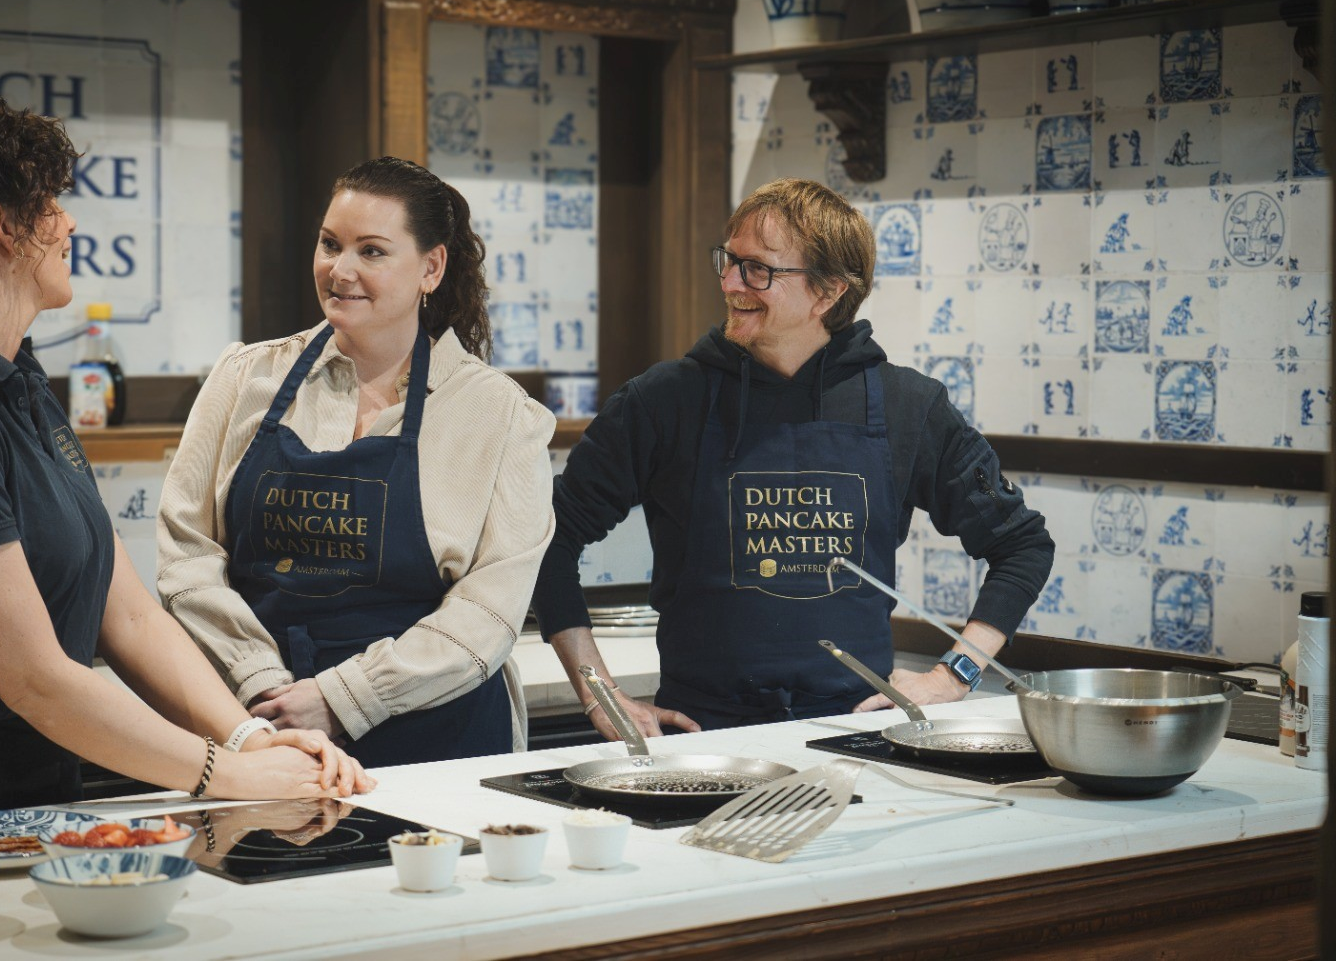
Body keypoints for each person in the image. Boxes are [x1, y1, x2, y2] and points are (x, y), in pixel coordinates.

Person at [0, 100, 372, 832]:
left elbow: (128, 615)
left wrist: (247, 736)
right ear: (4, 225)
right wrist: (229, 774)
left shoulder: (17, 378)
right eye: (52, 203)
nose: (70, 223)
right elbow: (37, 679)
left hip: (27, 791)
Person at [533, 178, 1054, 737]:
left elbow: (1022, 546)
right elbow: (544, 539)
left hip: (860, 735)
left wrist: (956, 674)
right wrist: (600, 694)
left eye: (758, 269)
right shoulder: (663, 401)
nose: (730, 283)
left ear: (827, 292)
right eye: (729, 261)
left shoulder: (908, 406)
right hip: (702, 739)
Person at [158, 156, 555, 767]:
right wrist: (261, 683)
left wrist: (343, 698)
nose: (340, 270)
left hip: (434, 734)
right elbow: (187, 554)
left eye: (371, 251)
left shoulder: (501, 416)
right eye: (330, 244)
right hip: (264, 727)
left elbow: (489, 611)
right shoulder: (243, 378)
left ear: (431, 267)